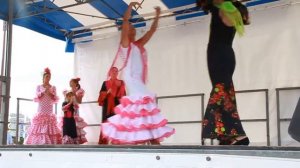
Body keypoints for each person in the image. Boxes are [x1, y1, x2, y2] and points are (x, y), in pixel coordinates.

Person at [101, 2, 175, 145]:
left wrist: (158, 15)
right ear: (127, 31)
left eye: (133, 29)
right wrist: (130, 7)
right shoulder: (125, 44)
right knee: (142, 102)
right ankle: (149, 139)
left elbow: (151, 31)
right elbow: (125, 20)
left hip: (138, 81)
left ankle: (150, 139)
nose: (133, 30)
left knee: (142, 105)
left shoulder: (138, 44)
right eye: (130, 29)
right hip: (131, 78)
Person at [197, 0, 250, 145]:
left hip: (218, 54)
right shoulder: (231, 11)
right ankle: (230, 135)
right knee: (225, 92)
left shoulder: (224, 9)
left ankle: (222, 131)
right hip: (225, 54)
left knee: (221, 91)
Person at [25, 68, 62, 144]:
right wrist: (43, 91)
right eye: (46, 77)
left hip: (49, 106)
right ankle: (38, 142)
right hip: (41, 106)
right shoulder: (39, 86)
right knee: (40, 122)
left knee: (50, 122)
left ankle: (50, 141)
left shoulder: (53, 87)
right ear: (43, 77)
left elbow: (55, 98)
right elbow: (36, 97)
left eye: (49, 77)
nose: (48, 78)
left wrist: (50, 93)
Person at [98, 67, 126, 144]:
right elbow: (100, 96)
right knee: (106, 122)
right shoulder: (105, 83)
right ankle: (104, 141)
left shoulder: (121, 82)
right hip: (107, 106)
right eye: (113, 71)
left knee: (117, 122)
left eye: (116, 71)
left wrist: (115, 93)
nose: (115, 72)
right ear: (109, 72)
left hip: (117, 105)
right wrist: (107, 93)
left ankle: (117, 140)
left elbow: (123, 94)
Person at [69, 78, 88, 144]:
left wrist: (74, 94)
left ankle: (76, 139)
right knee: (69, 122)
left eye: (71, 82)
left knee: (76, 123)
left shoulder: (79, 91)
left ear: (75, 83)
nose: (70, 83)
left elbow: (79, 101)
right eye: (70, 82)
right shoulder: (68, 91)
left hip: (75, 109)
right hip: (69, 109)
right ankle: (70, 138)